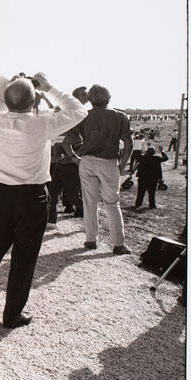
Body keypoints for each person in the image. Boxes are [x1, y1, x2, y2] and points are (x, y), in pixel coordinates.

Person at [0, 73, 86, 328]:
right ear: (34, 99)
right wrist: (47, 86)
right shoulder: (43, 123)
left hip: (1, 196)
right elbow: (79, 110)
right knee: (24, 259)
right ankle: (12, 314)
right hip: (31, 197)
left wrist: (13, 83)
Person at [68, 84, 133, 254]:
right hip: (109, 161)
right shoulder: (120, 116)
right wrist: (123, 164)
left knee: (90, 203)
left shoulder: (84, 115)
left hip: (87, 161)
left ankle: (91, 240)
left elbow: (67, 141)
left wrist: (74, 157)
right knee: (112, 203)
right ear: (109, 98)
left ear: (89, 100)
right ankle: (118, 243)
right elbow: (129, 143)